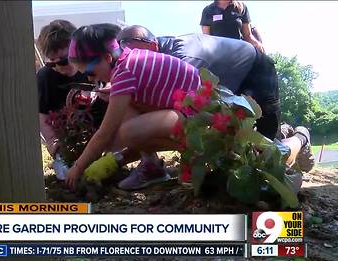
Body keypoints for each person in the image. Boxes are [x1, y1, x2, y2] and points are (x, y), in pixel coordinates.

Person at [116, 25, 314, 174]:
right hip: (225, 82)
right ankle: (283, 131)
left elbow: (184, 119)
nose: (129, 62)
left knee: (268, 157)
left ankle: (301, 137)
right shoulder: (152, 61)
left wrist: (121, 156)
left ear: (152, 45)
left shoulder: (184, 59)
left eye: (135, 55)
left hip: (256, 71)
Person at [65, 24, 202, 190]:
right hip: (187, 112)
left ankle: (196, 153)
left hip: (198, 120)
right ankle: (152, 166)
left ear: (108, 58)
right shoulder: (129, 60)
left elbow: (105, 134)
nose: (89, 78)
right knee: (126, 114)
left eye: (90, 72)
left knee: (129, 133)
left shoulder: (124, 73)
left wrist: (78, 167)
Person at [36, 20, 110, 180]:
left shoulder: (94, 68)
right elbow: (42, 118)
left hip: (101, 133)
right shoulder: (45, 77)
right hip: (68, 138)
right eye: (51, 63)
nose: (59, 66)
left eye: (63, 60)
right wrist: (54, 145)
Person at [200, 1, 264, 53]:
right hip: (217, 52)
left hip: (239, 51)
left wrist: (257, 44)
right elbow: (206, 39)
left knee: (266, 61)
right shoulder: (208, 10)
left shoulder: (241, 7)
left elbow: (247, 35)